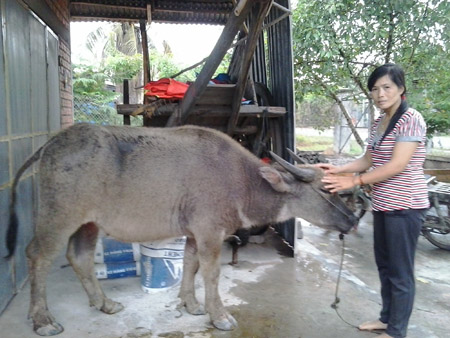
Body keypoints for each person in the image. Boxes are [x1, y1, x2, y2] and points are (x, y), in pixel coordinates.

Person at [317, 63, 429, 338]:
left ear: (401, 89)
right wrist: (337, 169)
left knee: (400, 272)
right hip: (383, 204)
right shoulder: (380, 122)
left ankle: (397, 331)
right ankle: (386, 320)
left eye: (387, 87)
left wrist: (355, 181)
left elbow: (397, 164)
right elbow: (368, 159)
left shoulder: (411, 119)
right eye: (375, 89)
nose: (380, 94)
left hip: (406, 206)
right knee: (385, 266)